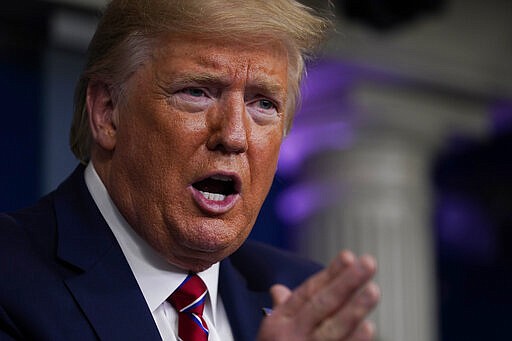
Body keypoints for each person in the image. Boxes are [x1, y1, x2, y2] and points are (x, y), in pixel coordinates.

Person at [0, 0, 379, 340]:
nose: (233, 135)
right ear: (107, 112)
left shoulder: (301, 298)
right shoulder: (11, 277)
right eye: (197, 92)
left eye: (262, 103)